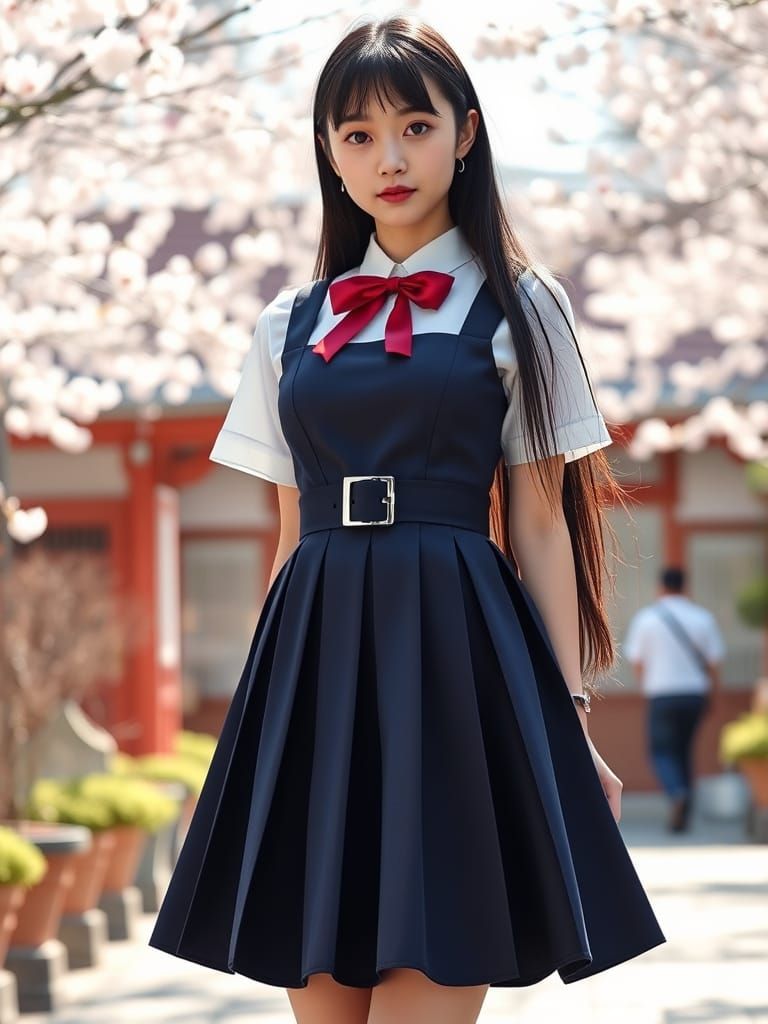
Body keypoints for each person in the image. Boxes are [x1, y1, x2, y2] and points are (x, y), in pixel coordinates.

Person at [149, 16, 665, 1024]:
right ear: (329, 155)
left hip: (451, 655)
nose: (388, 158)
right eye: (357, 135)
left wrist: (568, 719)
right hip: (318, 651)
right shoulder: (287, 324)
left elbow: (543, 527)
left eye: (415, 127)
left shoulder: (522, 306)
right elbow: (290, 531)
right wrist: (268, 717)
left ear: (465, 136)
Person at [625, 566, 725, 834]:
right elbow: (714, 664)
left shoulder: (647, 619)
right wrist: (712, 696)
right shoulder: (702, 618)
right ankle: (683, 816)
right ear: (685, 587)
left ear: (661, 587)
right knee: (684, 751)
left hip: (662, 694)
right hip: (694, 694)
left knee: (661, 751)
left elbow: (637, 661)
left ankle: (676, 791)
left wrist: (645, 685)